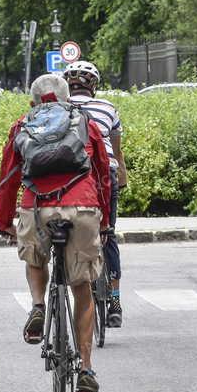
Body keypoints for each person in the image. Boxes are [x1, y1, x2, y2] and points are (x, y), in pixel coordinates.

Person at [0, 74, 112, 392]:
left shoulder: (22, 125)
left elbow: (8, 179)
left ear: (33, 103)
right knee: (83, 288)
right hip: (82, 207)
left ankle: (37, 305)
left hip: (37, 207)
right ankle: (86, 366)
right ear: (68, 98)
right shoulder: (85, 123)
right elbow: (103, 174)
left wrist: (5, 222)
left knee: (35, 258)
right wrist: (103, 223)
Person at [63, 60, 128, 326]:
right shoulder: (108, 108)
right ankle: (114, 301)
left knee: (69, 232)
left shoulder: (61, 108)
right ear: (94, 86)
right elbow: (116, 151)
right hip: (105, 176)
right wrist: (121, 179)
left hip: (72, 177)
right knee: (108, 234)